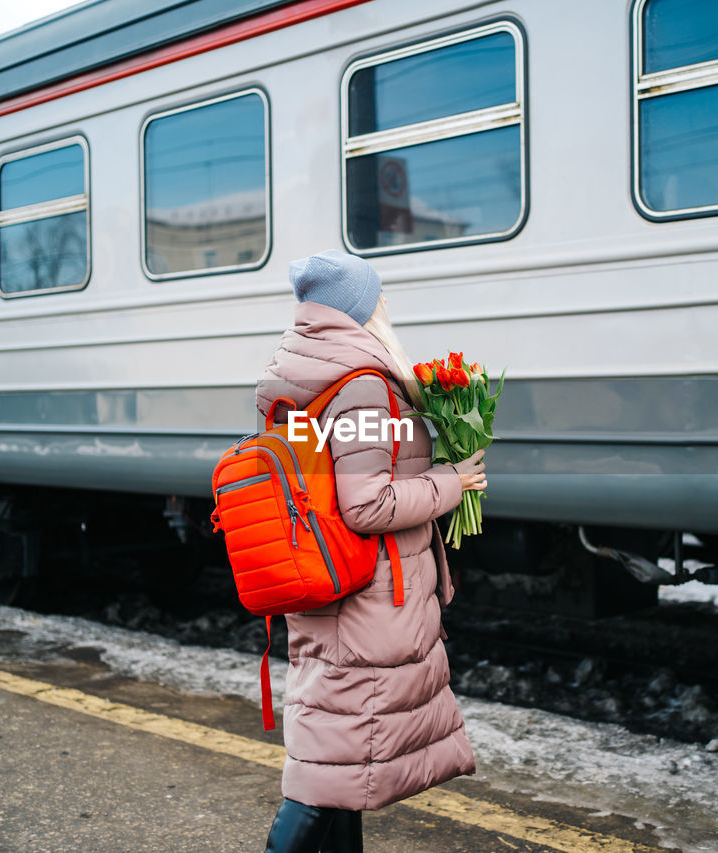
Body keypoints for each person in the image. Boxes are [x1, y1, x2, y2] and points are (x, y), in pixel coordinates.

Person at [255, 249, 485, 853]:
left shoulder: (301, 370)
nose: (385, 304)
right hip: (365, 596)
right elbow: (365, 504)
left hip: (330, 580)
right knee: (323, 770)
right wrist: (451, 483)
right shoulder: (359, 384)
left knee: (342, 762)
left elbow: (326, 484)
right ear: (358, 306)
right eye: (377, 295)